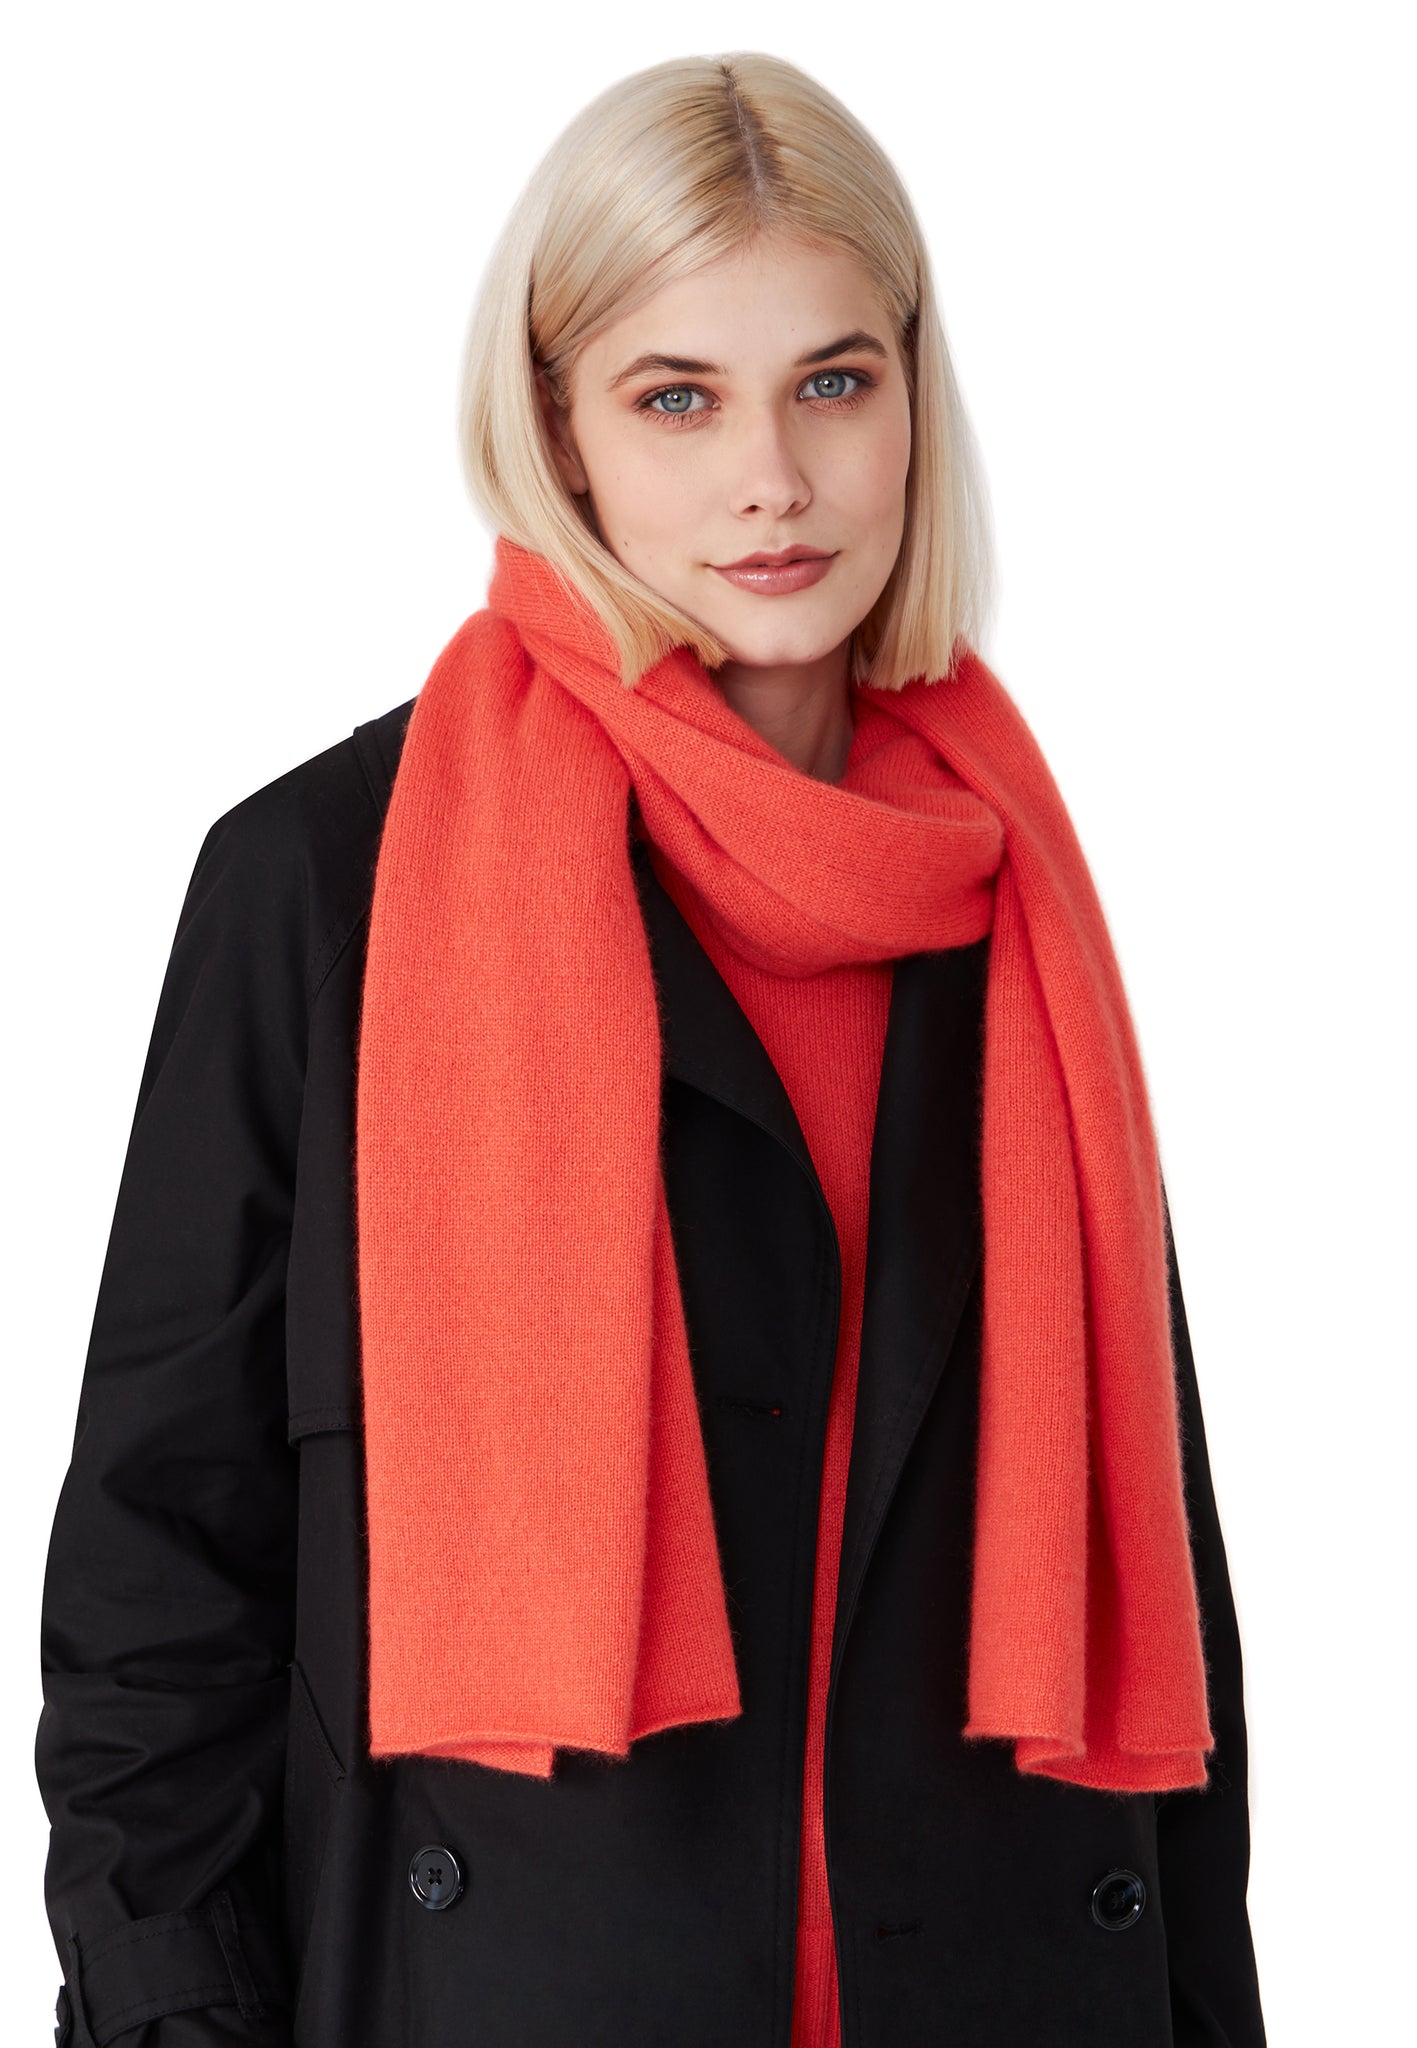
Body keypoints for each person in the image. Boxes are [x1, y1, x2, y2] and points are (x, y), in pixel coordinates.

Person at [35, 49, 1267, 2048]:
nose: (769, 476)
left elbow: (1162, 1591)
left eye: (831, 382)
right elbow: (158, 1573)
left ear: (912, 400)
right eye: (674, 396)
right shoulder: (328, 884)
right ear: (560, 432)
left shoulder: (1005, 890)